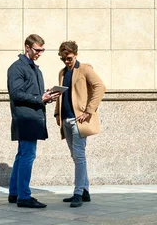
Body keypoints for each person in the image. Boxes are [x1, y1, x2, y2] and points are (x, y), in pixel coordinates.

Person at [7, 34, 59, 208]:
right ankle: (24, 196)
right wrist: (40, 98)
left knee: (21, 156)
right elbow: (15, 93)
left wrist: (48, 96)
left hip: (33, 118)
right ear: (27, 47)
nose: (39, 53)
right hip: (26, 119)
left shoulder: (35, 69)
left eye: (42, 50)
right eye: (37, 50)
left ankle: (15, 193)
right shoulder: (17, 68)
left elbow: (34, 94)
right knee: (27, 156)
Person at [54, 41, 106, 208]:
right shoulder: (62, 72)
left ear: (75, 54)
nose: (66, 62)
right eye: (63, 59)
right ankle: (85, 191)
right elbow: (60, 94)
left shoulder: (84, 69)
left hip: (79, 120)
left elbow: (100, 87)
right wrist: (57, 113)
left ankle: (78, 193)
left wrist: (89, 110)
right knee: (76, 157)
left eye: (68, 58)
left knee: (79, 156)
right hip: (66, 120)